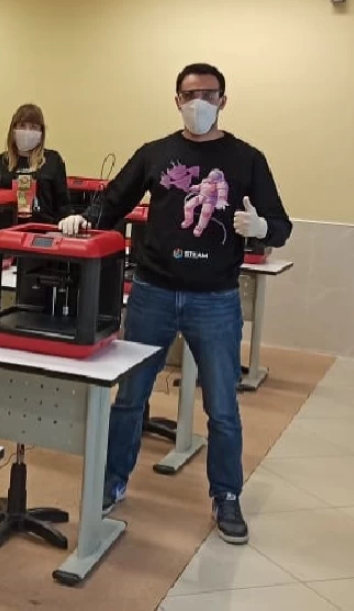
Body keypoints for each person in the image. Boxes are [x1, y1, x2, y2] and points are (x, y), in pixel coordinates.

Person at [59, 63, 291, 545]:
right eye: (189, 94)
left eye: (208, 93)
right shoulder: (156, 153)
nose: (198, 102)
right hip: (153, 293)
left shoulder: (247, 159)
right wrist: (83, 221)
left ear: (223, 100)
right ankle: (112, 481)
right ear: (177, 100)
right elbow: (113, 201)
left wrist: (263, 229)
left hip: (216, 299)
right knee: (130, 399)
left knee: (222, 407)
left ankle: (226, 494)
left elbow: (281, 224)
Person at [0, 103, 69, 222]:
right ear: (13, 129)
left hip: (43, 229)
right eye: (22, 126)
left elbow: (63, 206)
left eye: (33, 127)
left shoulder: (53, 160)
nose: (27, 131)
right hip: (7, 229)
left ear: (41, 132)